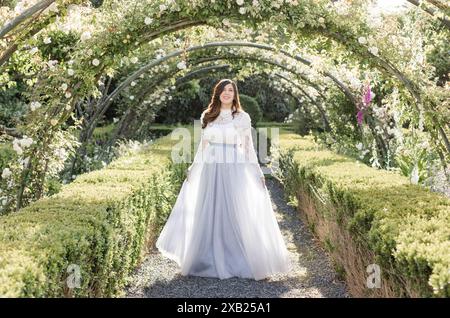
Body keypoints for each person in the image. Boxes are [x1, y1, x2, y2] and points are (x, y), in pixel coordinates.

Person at [156, 78, 291, 280]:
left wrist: (258, 171)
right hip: (210, 168)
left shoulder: (242, 117)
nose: (227, 93)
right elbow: (204, 145)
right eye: (223, 90)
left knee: (236, 209)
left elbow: (248, 147)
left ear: (234, 94)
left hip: (234, 166)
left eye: (231, 90)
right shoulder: (208, 115)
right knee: (209, 210)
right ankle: (205, 256)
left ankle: (239, 256)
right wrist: (193, 167)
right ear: (217, 93)